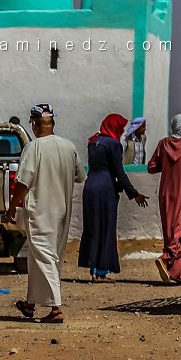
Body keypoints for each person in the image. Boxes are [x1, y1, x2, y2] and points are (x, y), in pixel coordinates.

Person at [5, 104, 85, 324]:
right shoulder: (69, 147)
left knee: (44, 256)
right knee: (41, 257)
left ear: (33, 123)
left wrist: (12, 206)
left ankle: (55, 308)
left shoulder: (33, 148)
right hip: (62, 212)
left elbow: (23, 182)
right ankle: (30, 304)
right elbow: (80, 176)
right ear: (53, 123)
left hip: (41, 211)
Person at [78, 114, 150, 282]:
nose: (122, 130)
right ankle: (102, 270)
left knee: (93, 227)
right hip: (105, 190)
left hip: (90, 188)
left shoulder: (93, 141)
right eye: (121, 127)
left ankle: (93, 267)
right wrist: (134, 194)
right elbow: (119, 173)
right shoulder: (113, 144)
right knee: (106, 227)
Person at [148, 114, 181, 284]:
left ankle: (179, 273)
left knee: (170, 228)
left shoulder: (163, 144)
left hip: (166, 191)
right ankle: (166, 258)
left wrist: (166, 166)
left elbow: (151, 167)